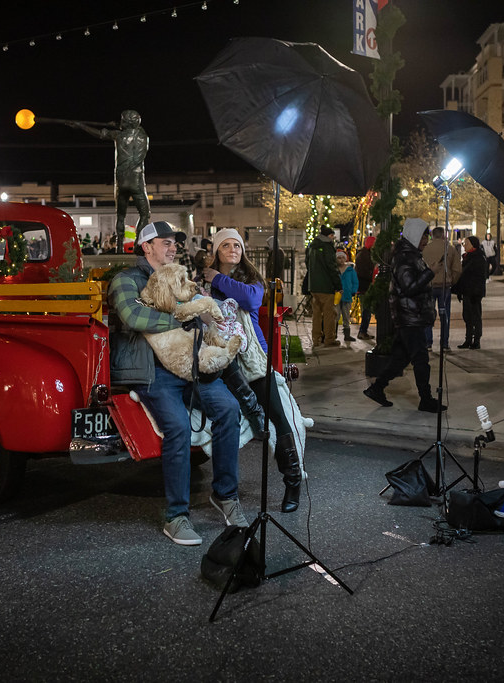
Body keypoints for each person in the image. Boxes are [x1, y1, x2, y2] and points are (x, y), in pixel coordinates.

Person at [107, 220, 246, 546]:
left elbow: (202, 310)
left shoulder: (180, 278)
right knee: (179, 428)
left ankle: (225, 495)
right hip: (153, 372)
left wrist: (193, 307)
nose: (172, 248)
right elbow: (133, 317)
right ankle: (176, 516)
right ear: (146, 247)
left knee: (229, 409)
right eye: (165, 242)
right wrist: (186, 312)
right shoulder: (126, 281)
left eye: (174, 243)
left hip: (192, 365)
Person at [204, 229, 304, 512]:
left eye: (237, 245)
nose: (233, 249)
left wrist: (219, 279)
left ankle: (293, 482)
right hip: (221, 354)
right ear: (216, 251)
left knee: (280, 419)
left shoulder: (249, 278)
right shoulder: (205, 280)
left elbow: (251, 301)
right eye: (226, 245)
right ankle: (251, 413)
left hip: (254, 356)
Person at [362, 218, 445, 413]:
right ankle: (426, 399)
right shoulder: (404, 258)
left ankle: (376, 388)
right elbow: (408, 288)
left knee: (400, 359)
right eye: (424, 236)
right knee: (420, 359)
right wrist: (430, 273)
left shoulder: (411, 255)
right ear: (415, 235)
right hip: (409, 317)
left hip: (410, 315)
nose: (426, 240)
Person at [65, 110, 150, 253]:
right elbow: (139, 136)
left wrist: (81, 126)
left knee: (120, 215)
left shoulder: (118, 135)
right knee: (145, 214)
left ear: (125, 122)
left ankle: (118, 248)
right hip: (136, 180)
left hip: (121, 181)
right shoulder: (143, 137)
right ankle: (137, 244)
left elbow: (100, 134)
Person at [421, 226, 461, 352]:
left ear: (432, 236)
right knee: (445, 315)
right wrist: (451, 280)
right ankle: (444, 343)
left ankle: (428, 343)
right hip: (444, 286)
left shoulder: (425, 249)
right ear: (443, 235)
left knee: (428, 314)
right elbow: (458, 269)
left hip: (429, 286)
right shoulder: (450, 248)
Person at [306, 226, 341, 347]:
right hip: (326, 285)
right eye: (332, 236)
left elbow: (307, 263)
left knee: (316, 314)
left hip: (314, 285)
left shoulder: (311, 246)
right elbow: (332, 267)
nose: (333, 238)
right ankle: (329, 339)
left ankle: (316, 339)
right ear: (328, 236)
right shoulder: (327, 246)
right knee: (329, 314)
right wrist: (338, 284)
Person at [454, 235, 487, 349]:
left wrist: (477, 293)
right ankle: (468, 339)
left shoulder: (478, 258)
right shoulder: (468, 257)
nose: (464, 245)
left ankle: (476, 340)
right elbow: (463, 276)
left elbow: (480, 278)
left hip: (474, 293)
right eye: (464, 243)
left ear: (473, 245)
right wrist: (460, 291)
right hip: (467, 292)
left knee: (475, 316)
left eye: (466, 243)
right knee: (467, 316)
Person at [354, 236, 376, 340]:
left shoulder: (366, 254)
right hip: (364, 287)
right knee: (366, 310)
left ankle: (363, 331)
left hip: (366, 286)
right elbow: (363, 272)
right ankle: (362, 331)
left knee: (367, 310)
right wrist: (373, 273)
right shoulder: (363, 256)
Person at [337, 250, 358, 343]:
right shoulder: (335, 270)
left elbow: (355, 281)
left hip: (347, 295)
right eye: (339, 258)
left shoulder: (350, 270)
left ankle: (347, 334)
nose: (341, 260)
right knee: (335, 315)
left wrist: (353, 291)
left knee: (346, 315)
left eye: (342, 258)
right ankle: (333, 334)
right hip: (336, 296)